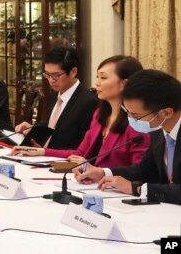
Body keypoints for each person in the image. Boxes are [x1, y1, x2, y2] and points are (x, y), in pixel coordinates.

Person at [10, 55, 148, 167]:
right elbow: (80, 153)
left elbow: (140, 171)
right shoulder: (100, 115)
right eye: (97, 77)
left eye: (103, 77)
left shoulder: (138, 123)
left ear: (124, 84)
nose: (97, 83)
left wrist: (97, 171)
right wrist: (40, 151)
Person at [75, 69, 181, 205]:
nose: (130, 120)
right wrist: (103, 173)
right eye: (128, 112)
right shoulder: (158, 129)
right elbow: (146, 170)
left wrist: (136, 188)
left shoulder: (157, 125)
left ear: (166, 113)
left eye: (136, 116)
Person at [13, 47, 97, 150]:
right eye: (47, 74)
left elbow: (84, 147)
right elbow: (52, 130)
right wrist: (33, 129)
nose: (51, 80)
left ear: (73, 72)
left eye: (56, 75)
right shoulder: (53, 96)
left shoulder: (88, 102)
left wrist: (46, 153)